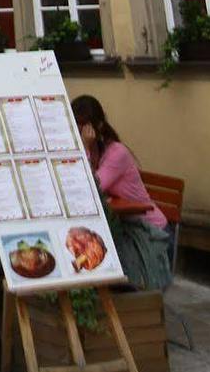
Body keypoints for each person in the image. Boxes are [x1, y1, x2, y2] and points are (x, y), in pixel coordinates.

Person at [72, 95, 173, 289]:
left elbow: (91, 187)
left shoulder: (116, 153)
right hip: (125, 224)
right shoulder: (94, 152)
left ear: (97, 126)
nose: (77, 131)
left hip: (150, 230)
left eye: (81, 125)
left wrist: (83, 147)